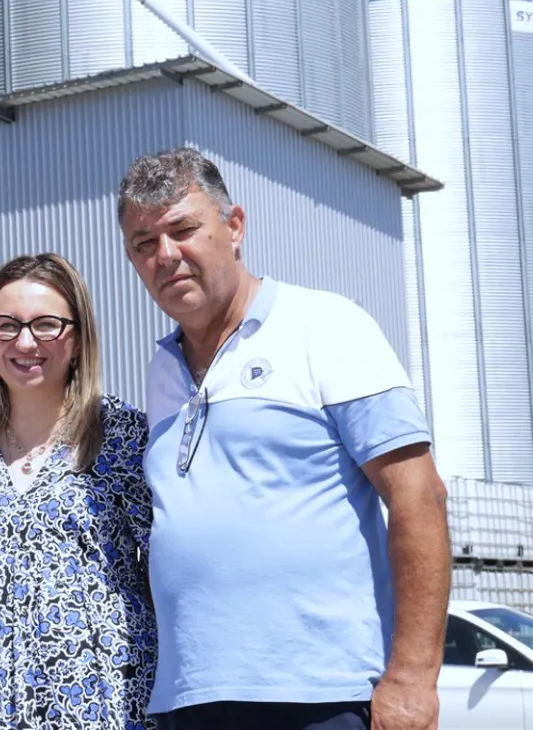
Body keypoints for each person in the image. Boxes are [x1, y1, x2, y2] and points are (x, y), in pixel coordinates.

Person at [116, 147, 451, 730]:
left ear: (235, 226)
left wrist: (413, 677)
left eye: (183, 230)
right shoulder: (160, 372)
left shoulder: (324, 326)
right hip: (189, 698)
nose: (165, 255)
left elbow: (418, 497)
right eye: (144, 243)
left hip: (320, 696)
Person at [0, 254, 157, 729]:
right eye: (7, 325)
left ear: (78, 339)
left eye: (46, 325)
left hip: (103, 697)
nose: (25, 341)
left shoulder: (120, 437)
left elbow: (168, 570)